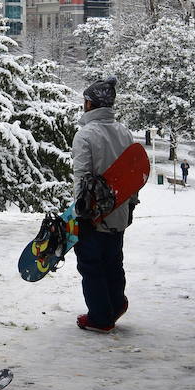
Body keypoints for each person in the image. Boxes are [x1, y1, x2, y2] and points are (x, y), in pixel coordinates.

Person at [72, 76, 137, 333]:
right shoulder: (125, 132)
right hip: (120, 209)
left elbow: (83, 177)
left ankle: (100, 317)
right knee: (113, 260)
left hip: (93, 213)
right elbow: (134, 172)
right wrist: (130, 205)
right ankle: (115, 303)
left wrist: (81, 214)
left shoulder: (85, 135)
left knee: (90, 263)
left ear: (90, 104)